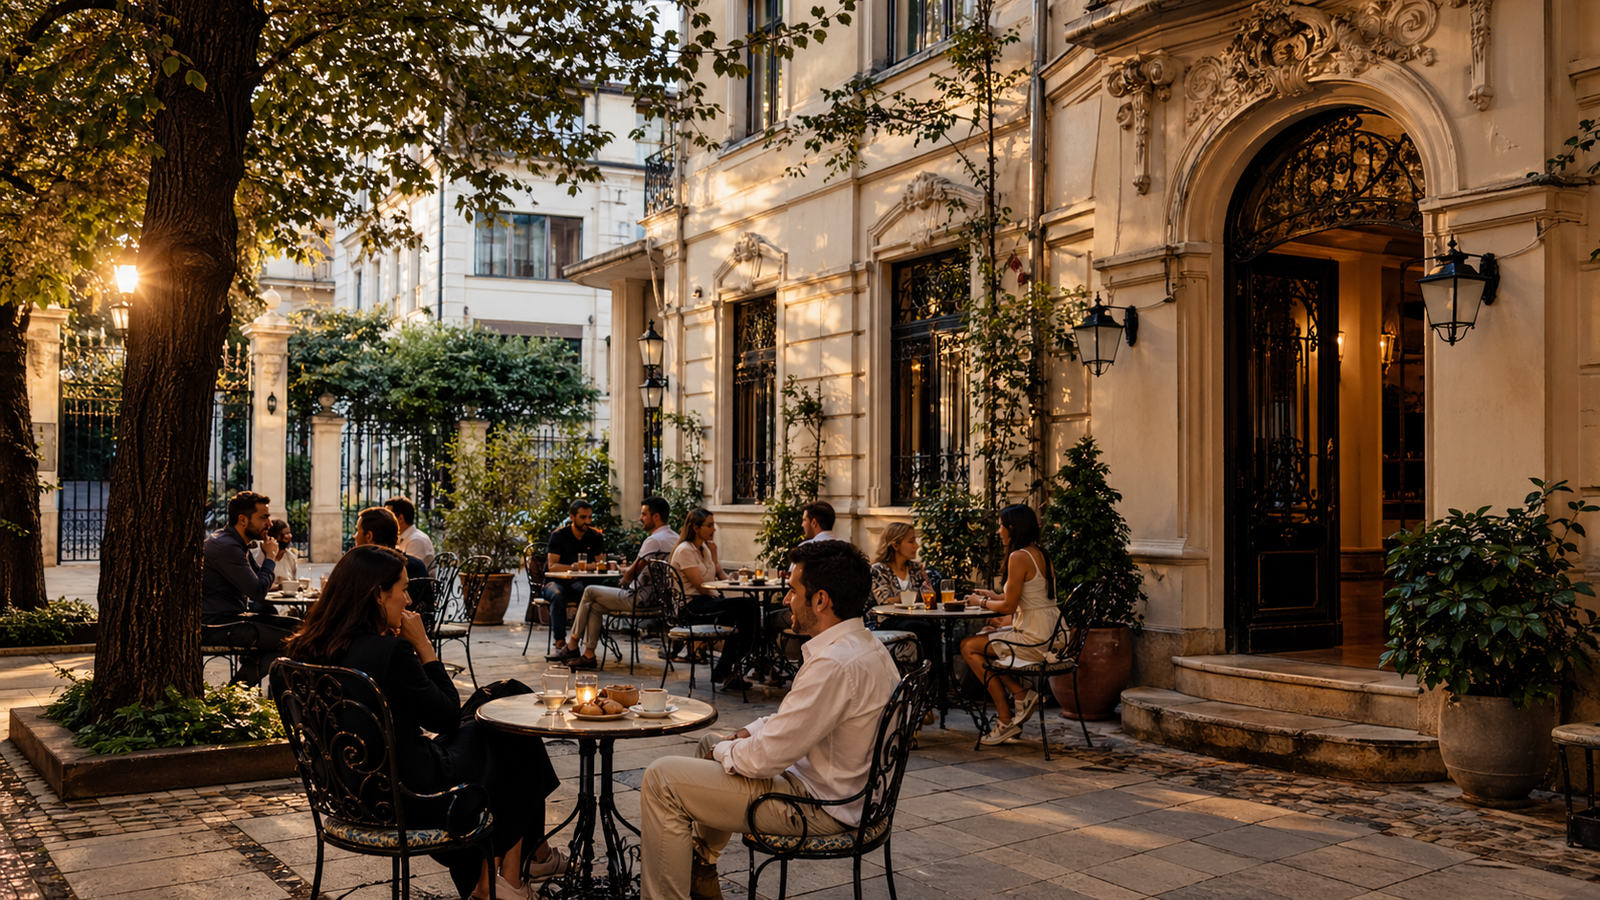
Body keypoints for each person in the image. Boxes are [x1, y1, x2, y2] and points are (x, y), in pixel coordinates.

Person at [282, 545, 565, 900]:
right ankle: (507, 873)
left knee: (505, 693)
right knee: (511, 729)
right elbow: (446, 717)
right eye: (402, 589)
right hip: (414, 796)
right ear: (377, 595)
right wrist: (423, 646)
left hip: (351, 794)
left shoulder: (301, 651)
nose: (409, 599)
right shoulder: (390, 654)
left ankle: (510, 871)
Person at [639, 540, 899, 900]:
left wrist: (730, 751)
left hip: (818, 807)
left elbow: (763, 760)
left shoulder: (834, 664)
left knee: (661, 777)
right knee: (710, 743)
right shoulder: (867, 647)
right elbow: (801, 719)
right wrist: (746, 733)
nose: (786, 600)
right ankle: (700, 866)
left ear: (820, 600)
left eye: (793, 591)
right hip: (846, 793)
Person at [958, 504, 1063, 747]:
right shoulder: (1040, 553)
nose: (998, 531)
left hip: (1035, 636)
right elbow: (1026, 598)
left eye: (1001, 526)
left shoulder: (1018, 557)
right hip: (1051, 630)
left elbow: (1008, 608)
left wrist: (980, 601)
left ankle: (1006, 718)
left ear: (1012, 528)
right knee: (987, 634)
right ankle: (1019, 694)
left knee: (968, 647)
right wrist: (993, 595)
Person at [550, 496, 677, 669]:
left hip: (639, 598)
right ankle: (588, 655)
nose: (640, 519)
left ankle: (572, 644)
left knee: (590, 592)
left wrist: (625, 575)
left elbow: (631, 576)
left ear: (656, 517)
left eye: (643, 514)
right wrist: (627, 570)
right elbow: (642, 568)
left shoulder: (653, 540)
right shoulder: (674, 537)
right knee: (594, 606)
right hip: (660, 599)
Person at [201, 492, 303, 685]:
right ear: (243, 519)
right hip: (214, 625)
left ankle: (239, 690)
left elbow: (259, 586)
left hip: (232, 618)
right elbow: (258, 592)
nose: (270, 524)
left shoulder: (238, 545)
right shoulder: (227, 547)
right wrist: (270, 557)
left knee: (298, 627)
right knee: (295, 640)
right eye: (264, 518)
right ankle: (235, 694)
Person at [669, 509, 758, 693]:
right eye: (709, 525)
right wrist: (723, 585)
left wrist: (733, 574)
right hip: (692, 607)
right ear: (695, 527)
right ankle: (728, 669)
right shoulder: (685, 550)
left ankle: (727, 670)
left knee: (748, 613)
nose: (714, 529)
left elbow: (720, 576)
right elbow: (701, 586)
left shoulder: (705, 549)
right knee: (748, 609)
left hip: (707, 601)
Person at [867, 522, 940, 668]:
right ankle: (927, 678)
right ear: (895, 545)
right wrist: (914, 596)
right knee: (923, 628)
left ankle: (936, 682)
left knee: (933, 627)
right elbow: (885, 601)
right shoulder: (878, 570)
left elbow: (928, 597)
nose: (917, 546)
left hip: (914, 619)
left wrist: (926, 588)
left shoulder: (915, 568)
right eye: (911, 541)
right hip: (884, 622)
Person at [542, 500, 608, 647]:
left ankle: (589, 641)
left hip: (583, 584)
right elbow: (552, 567)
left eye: (590, 517)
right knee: (558, 596)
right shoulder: (559, 536)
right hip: (557, 583)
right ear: (572, 517)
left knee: (593, 596)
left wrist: (589, 567)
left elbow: (601, 564)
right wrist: (572, 568)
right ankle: (560, 641)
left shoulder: (595, 536)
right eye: (583, 517)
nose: (587, 521)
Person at [353, 506, 434, 618]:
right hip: (422, 626)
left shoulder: (368, 568)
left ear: (369, 536)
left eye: (357, 531)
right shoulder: (417, 564)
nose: (354, 536)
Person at [386, 495, 436, 569]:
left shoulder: (416, 541)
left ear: (400, 519)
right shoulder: (405, 537)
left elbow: (407, 571)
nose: (385, 520)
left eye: (388, 516)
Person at [249, 519, 299, 590]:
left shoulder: (291, 557)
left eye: (289, 533)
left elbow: (293, 582)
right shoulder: (257, 556)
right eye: (285, 533)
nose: (289, 536)